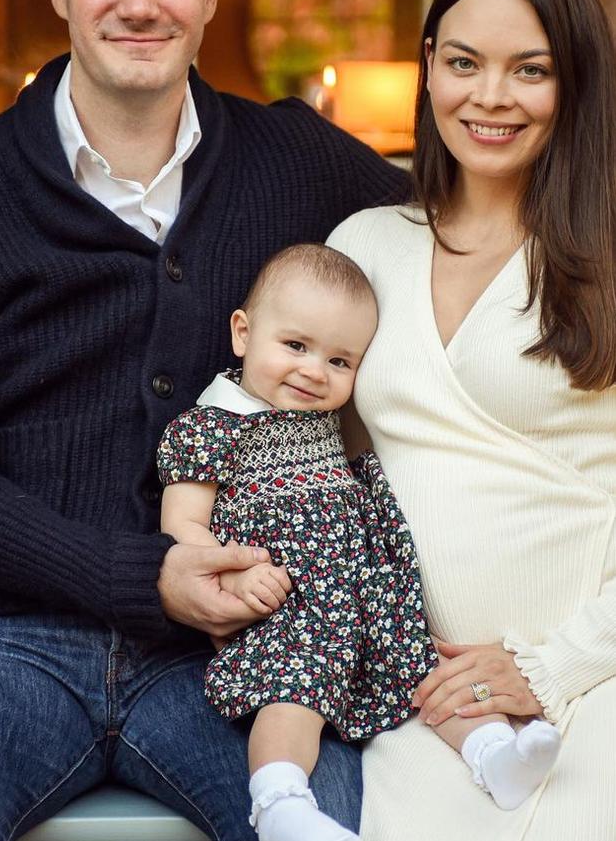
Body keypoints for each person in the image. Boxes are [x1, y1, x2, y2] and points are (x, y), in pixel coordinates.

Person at [0, 0, 409, 841]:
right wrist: (137, 573)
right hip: (4, 645)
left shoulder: (298, 162)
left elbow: (455, 244)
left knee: (325, 822)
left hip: (235, 655)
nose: (138, 1)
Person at [328, 0, 616, 841]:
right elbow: (320, 473)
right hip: (420, 708)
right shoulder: (365, 247)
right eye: (463, 62)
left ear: (573, 82)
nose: (489, 97)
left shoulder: (608, 253)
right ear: (427, 68)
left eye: (528, 70)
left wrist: (555, 663)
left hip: (592, 687)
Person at [157, 242, 562, 841]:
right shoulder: (214, 424)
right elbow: (183, 528)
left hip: (362, 590)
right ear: (242, 333)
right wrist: (236, 576)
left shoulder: (325, 420)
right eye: (295, 346)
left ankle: (491, 752)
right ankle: (280, 801)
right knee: (295, 690)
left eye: (341, 361)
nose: (315, 371)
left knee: (424, 667)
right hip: (286, 602)